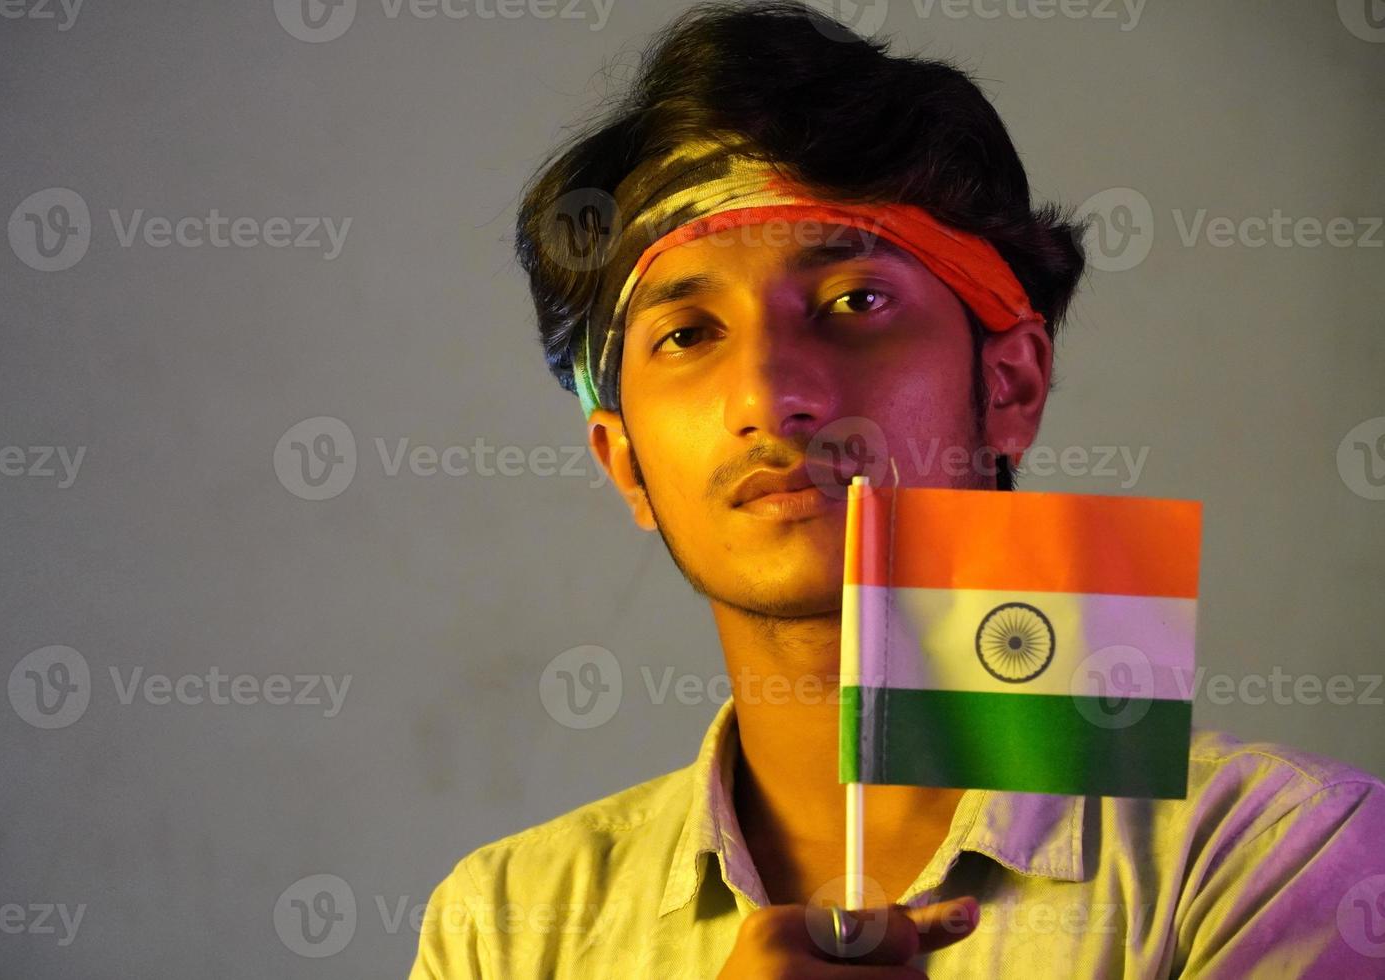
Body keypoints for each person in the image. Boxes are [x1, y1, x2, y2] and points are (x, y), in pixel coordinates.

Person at [410, 2, 1385, 976]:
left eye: (854, 302)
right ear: (624, 460)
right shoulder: (504, 926)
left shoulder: (1280, 854)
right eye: (688, 333)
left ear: (1011, 384)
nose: (770, 394)